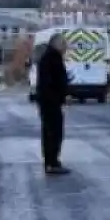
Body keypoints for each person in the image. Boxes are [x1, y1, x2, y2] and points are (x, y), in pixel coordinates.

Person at [34, 33, 70, 175]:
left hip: (48, 100)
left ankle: (51, 160)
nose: (65, 47)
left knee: (51, 131)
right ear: (56, 44)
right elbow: (51, 81)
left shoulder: (49, 57)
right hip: (50, 101)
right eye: (63, 44)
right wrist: (58, 94)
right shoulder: (52, 58)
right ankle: (52, 162)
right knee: (53, 132)